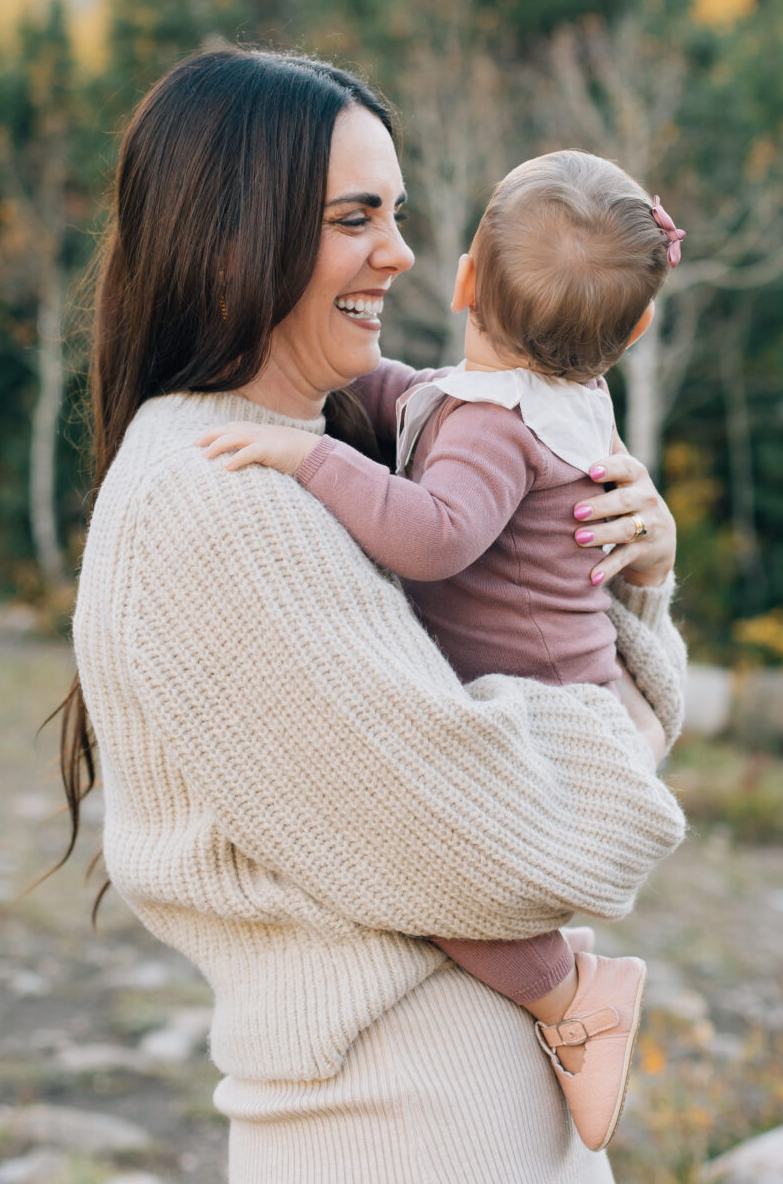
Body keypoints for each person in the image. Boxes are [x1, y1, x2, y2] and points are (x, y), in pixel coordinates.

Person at [58, 48, 687, 1184]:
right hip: (398, 1118)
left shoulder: (327, 446)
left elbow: (507, 724)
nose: (399, 252)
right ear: (235, 237)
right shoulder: (221, 498)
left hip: (447, 1106)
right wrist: (632, 733)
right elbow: (507, 838)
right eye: (357, 216)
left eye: (396, 214)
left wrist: (635, 561)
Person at [198, 149, 685, 1151]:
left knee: (432, 864)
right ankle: (566, 985)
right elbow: (398, 396)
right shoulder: (537, 401)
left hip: (540, 714)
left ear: (464, 278)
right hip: (569, 680)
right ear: (634, 329)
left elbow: (433, 532)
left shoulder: (493, 428)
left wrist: (310, 450)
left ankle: (572, 994)